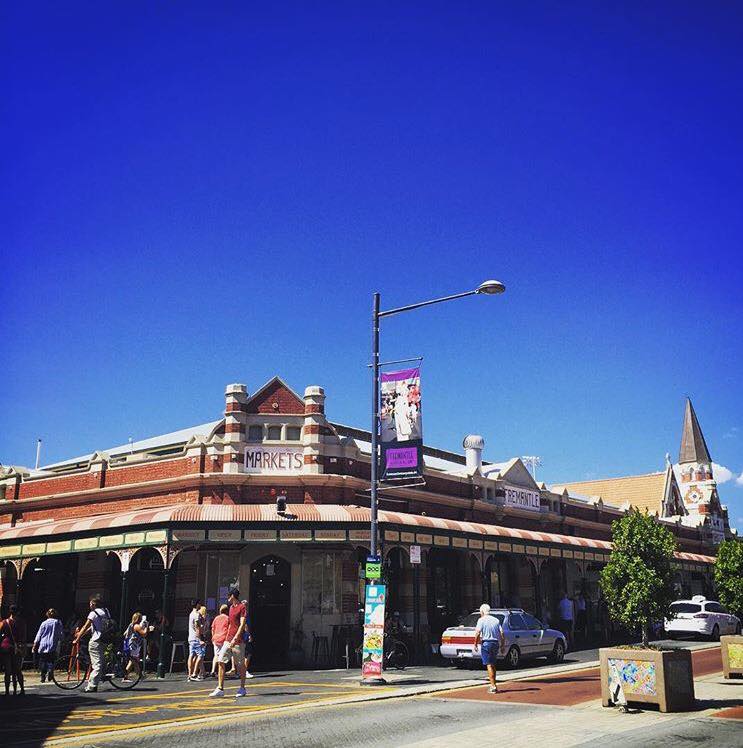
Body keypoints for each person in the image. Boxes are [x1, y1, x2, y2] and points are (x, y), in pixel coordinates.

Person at [209, 588, 247, 698]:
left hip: (238, 641)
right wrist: (227, 637)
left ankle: (242, 688)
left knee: (240, 665)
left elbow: (242, 624)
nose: (228, 598)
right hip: (228, 639)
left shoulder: (242, 607)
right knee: (221, 660)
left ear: (233, 596)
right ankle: (220, 688)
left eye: (229, 596)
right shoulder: (230, 608)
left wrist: (236, 637)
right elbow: (230, 624)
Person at [73, 595, 111, 693]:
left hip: (95, 641)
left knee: (97, 664)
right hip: (104, 640)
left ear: (93, 604)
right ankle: (101, 677)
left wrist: (77, 638)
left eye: (90, 603)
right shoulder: (106, 612)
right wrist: (82, 634)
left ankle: (92, 686)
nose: (89, 605)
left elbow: (86, 626)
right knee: (101, 662)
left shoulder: (93, 613)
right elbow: (94, 627)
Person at [473, 604, 505, 694]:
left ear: (482, 612)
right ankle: (494, 683)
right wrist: (502, 645)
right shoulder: (496, 620)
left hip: (486, 643)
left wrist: (475, 643)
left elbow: (478, 633)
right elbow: (502, 633)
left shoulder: (481, 620)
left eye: (480, 612)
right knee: (493, 664)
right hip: (495, 643)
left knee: (489, 664)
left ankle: (493, 686)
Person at [32, 608, 63, 683]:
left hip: (43, 644)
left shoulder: (44, 623)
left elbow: (39, 634)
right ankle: (50, 671)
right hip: (52, 644)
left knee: (43, 661)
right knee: (51, 660)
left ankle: (43, 677)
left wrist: (35, 644)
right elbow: (60, 634)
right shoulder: (58, 622)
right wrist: (62, 640)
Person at [1, 605, 26, 696]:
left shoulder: (4, 622)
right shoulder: (21, 622)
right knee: (18, 670)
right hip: (17, 648)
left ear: (9, 612)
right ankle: (21, 689)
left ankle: (7, 691)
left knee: (8, 671)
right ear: (18, 612)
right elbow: (23, 636)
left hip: (5, 647)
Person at [123, 612, 151, 679]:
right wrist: (147, 627)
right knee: (134, 660)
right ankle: (140, 675)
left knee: (132, 661)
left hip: (131, 644)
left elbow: (125, 633)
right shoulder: (137, 626)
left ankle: (126, 676)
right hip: (134, 645)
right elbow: (144, 634)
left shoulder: (131, 625)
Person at [209, 604, 230, 692]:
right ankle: (220, 673)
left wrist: (213, 637)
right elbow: (229, 628)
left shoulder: (216, 618)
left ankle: (213, 670)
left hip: (216, 639)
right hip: (223, 639)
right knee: (222, 659)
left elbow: (212, 628)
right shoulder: (228, 618)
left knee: (216, 655)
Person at [187, 599, 205, 682]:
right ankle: (194, 673)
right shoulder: (196, 615)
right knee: (200, 655)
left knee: (191, 655)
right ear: (197, 604)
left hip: (190, 637)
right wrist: (200, 639)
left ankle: (189, 675)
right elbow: (197, 627)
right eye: (199, 604)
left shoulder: (191, 614)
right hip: (196, 638)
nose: (200, 605)